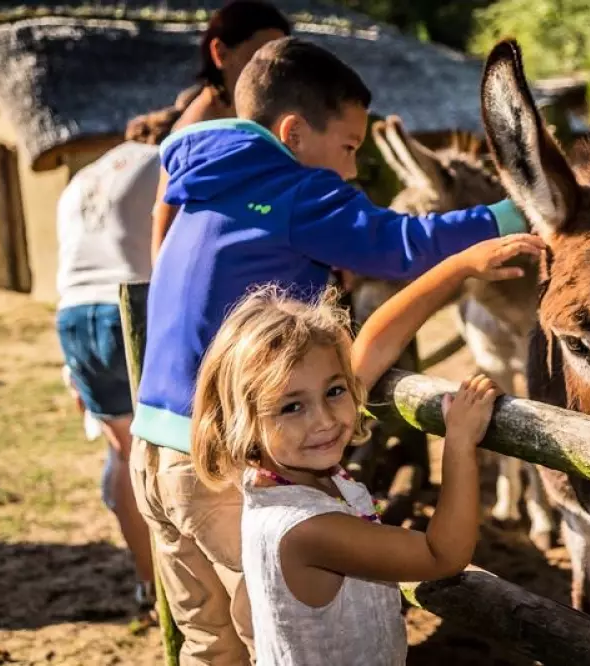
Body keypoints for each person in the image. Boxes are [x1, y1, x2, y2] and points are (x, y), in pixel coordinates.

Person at [128, 36, 529, 665]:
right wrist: (509, 215)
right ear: (292, 133)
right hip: (218, 463)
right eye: (347, 148)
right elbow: (398, 243)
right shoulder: (293, 189)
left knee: (209, 641)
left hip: (155, 449)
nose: (351, 172)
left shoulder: (210, 182)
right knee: (274, 633)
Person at [191, 231, 542, 665]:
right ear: (244, 422)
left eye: (335, 391)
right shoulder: (307, 529)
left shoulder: (276, 470)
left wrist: (460, 266)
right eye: (292, 405)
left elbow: (376, 343)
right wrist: (458, 442)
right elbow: (442, 554)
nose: (323, 419)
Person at [55, 87, 197, 615]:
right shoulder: (166, 162)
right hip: (128, 310)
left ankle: (150, 585)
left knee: (123, 453)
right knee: (167, 451)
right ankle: (188, 585)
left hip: (72, 315)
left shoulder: (87, 175)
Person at [150, 0, 292, 262]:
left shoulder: (250, 122)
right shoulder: (196, 131)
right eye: (258, 58)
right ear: (220, 53)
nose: (272, 74)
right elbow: (166, 214)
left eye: (278, 61)